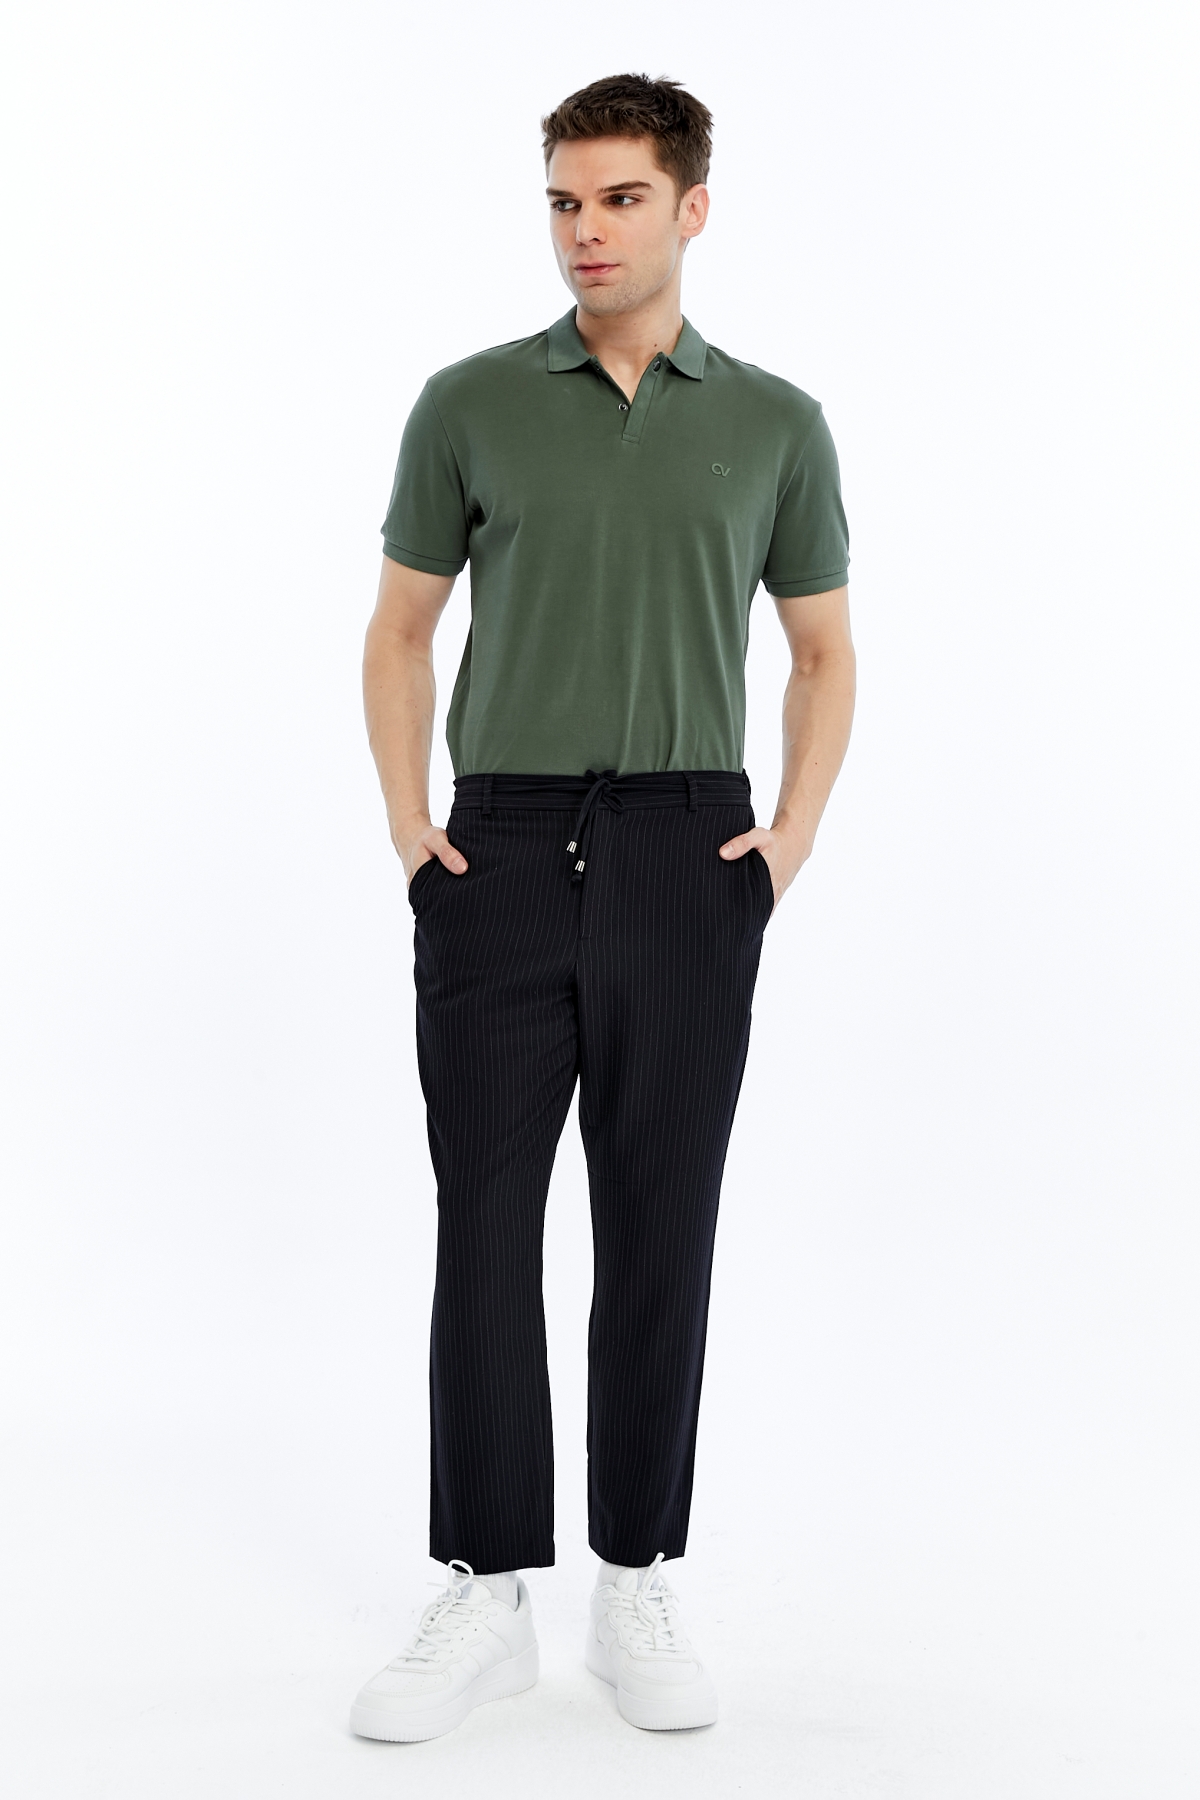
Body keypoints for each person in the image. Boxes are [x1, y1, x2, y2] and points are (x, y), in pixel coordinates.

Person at [351, 72, 854, 1742]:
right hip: (495, 849)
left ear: (690, 208)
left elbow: (825, 652)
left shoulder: (775, 423)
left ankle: (634, 1573)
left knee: (660, 1225)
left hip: (686, 848)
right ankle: (487, 1585)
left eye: (622, 198)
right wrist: (414, 829)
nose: (587, 231)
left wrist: (783, 844)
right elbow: (402, 629)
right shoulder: (469, 403)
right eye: (565, 201)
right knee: (483, 1226)